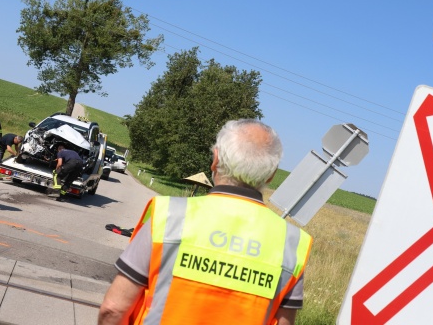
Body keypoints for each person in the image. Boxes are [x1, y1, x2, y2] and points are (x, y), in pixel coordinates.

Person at [98, 119, 313, 325]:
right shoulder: (292, 244)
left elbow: (114, 309)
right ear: (271, 175)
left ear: (216, 159)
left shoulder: (169, 216)